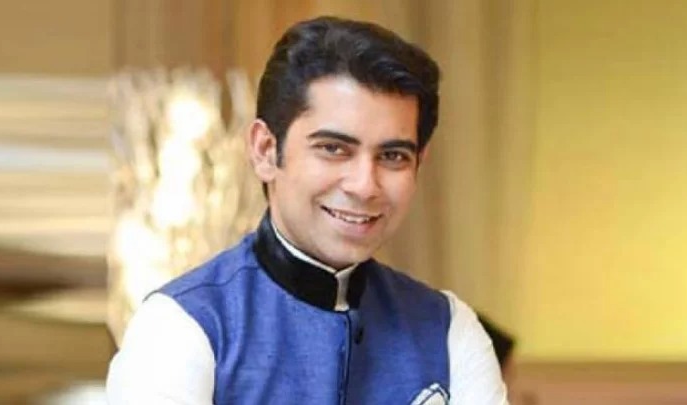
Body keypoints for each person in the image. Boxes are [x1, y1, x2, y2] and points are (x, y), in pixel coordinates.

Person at [106, 16, 508, 404]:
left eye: (392, 156)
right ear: (265, 150)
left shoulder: (449, 331)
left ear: (420, 163)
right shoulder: (180, 327)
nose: (365, 185)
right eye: (333, 149)